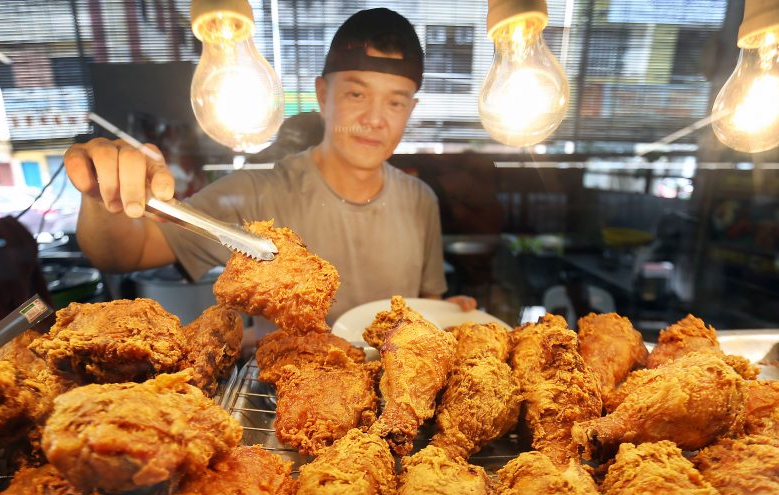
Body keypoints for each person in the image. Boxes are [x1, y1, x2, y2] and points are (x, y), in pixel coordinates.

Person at [64, 7, 476, 324]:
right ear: (322, 94)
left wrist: (447, 316)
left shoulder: (420, 199)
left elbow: (427, 305)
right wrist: (106, 195)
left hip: (392, 414)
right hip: (281, 414)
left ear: (411, 110)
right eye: (356, 94)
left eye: (396, 102)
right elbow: (125, 254)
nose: (374, 119)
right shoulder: (256, 193)